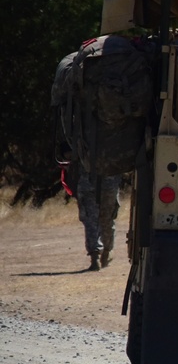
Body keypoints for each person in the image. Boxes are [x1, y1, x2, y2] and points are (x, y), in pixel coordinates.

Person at [51, 51, 123, 272]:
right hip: (107, 175)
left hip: (87, 175)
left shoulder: (77, 118)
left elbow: (67, 146)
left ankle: (95, 253)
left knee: (91, 218)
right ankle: (104, 252)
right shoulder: (114, 117)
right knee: (106, 218)